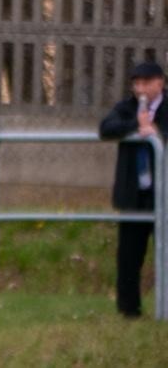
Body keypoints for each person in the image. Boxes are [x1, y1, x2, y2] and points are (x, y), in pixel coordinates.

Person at [99, 59, 167, 318]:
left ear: (160, 83)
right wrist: (136, 126)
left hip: (163, 195)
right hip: (134, 194)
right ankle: (129, 311)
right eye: (136, 83)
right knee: (129, 257)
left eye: (146, 83)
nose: (140, 89)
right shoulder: (127, 108)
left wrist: (157, 131)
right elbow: (105, 129)